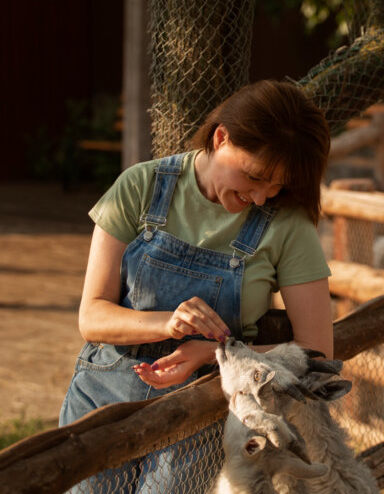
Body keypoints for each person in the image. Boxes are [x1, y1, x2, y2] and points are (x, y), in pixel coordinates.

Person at [58, 79, 333, 492]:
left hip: (200, 415)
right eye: (255, 176)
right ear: (221, 137)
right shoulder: (140, 186)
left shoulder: (289, 226)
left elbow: (316, 350)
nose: (261, 198)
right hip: (102, 402)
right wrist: (169, 323)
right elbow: (92, 317)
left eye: (276, 186)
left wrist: (214, 354)